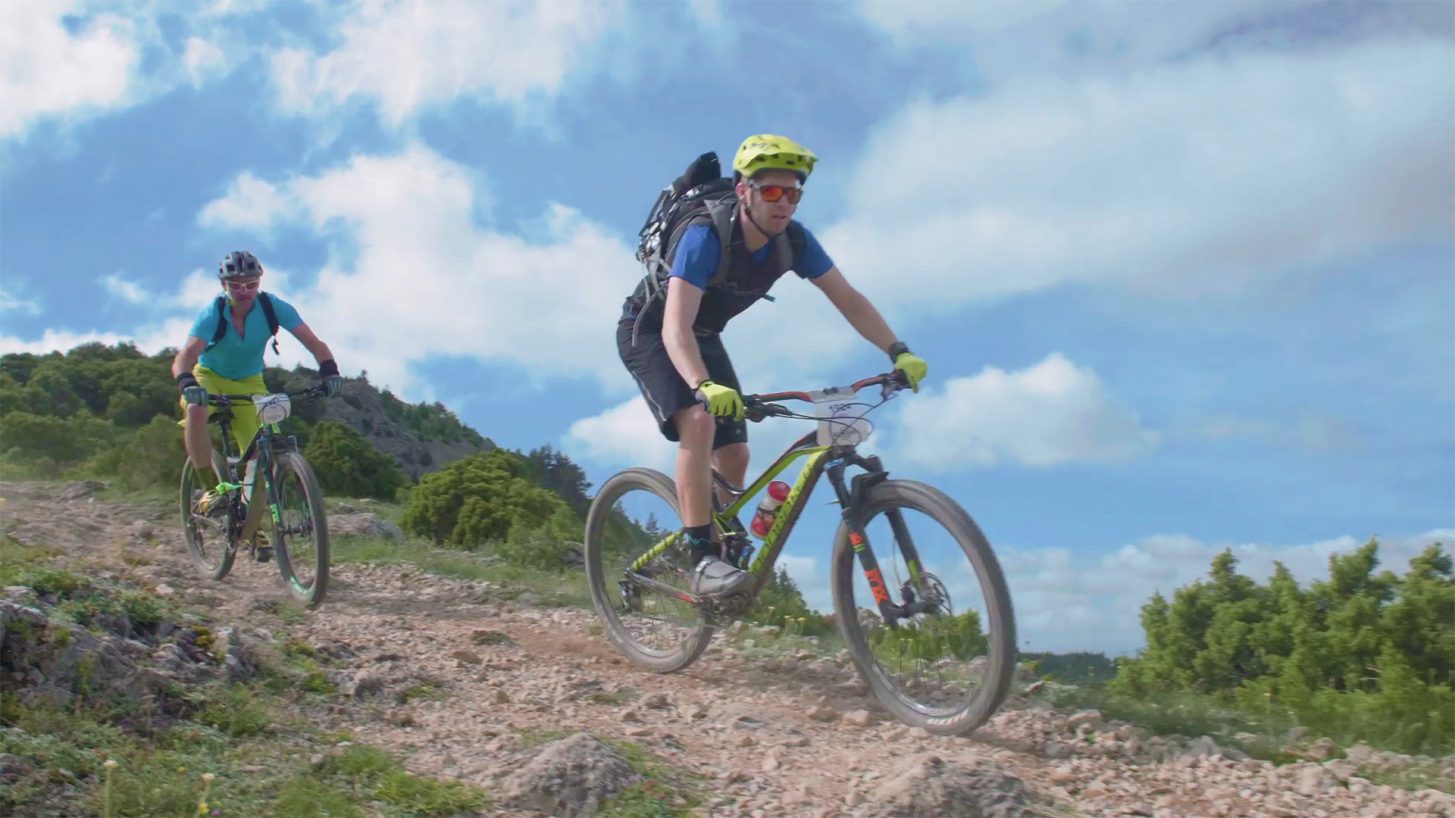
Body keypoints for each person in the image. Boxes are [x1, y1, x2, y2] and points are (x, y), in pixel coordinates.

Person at [616, 134, 928, 596]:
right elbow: (674, 328)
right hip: (653, 330)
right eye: (772, 192)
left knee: (737, 455)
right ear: (744, 191)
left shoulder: (794, 242)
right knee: (699, 421)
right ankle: (701, 558)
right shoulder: (706, 235)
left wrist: (897, 350)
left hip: (703, 337)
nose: (784, 203)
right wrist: (702, 384)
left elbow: (848, 297)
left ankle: (720, 538)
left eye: (794, 193)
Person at [171, 250, 343, 560]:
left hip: (250, 381)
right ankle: (210, 488)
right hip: (209, 376)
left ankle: (252, 525)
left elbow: (315, 344)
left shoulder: (272, 307)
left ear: (259, 282)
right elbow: (184, 357)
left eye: (251, 284)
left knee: (263, 453)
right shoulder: (213, 312)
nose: (244, 291)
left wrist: (329, 370)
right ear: (224, 286)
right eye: (236, 285)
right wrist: (187, 383)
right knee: (196, 411)